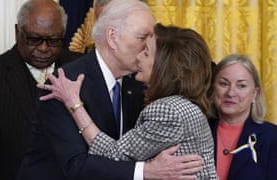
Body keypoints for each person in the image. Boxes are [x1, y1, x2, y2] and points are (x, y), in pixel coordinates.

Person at [18, 0, 204, 179]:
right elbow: (78, 166)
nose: (148, 46)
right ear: (113, 38)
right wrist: (146, 171)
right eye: (142, 38)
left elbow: (126, 152)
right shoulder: (65, 85)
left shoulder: (138, 84)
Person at [0, 0, 82, 179]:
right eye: (34, 39)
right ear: (18, 32)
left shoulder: (81, 68)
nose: (43, 48)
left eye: (54, 41)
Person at [208, 54, 277, 180]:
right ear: (213, 88)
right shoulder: (196, 130)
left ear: (255, 94)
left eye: (241, 86)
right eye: (224, 84)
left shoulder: (276, 139)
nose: (231, 93)